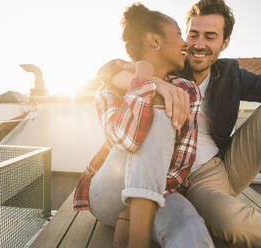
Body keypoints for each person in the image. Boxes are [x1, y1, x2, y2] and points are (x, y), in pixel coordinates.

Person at [94, 0, 261, 247]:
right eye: (192, 34)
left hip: (224, 166)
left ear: (224, 43)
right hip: (186, 177)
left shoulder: (231, 73)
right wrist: (154, 83)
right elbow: (107, 70)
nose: (198, 44)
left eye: (210, 37)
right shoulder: (172, 68)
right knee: (232, 222)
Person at [74, 3, 214, 248]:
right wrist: (150, 82)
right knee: (158, 107)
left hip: (161, 192)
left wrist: (134, 209)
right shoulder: (109, 88)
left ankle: (137, 219)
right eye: (179, 34)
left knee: (191, 231)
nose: (186, 43)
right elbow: (124, 140)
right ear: (154, 40)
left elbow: (180, 167)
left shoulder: (187, 91)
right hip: (108, 193)